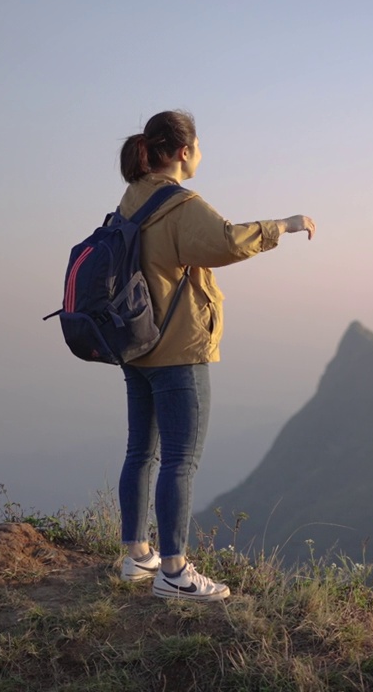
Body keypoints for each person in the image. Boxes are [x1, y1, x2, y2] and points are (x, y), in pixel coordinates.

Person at [114, 110, 315, 601]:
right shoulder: (181, 204)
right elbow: (225, 241)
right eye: (199, 147)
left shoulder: (133, 198)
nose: (201, 154)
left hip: (135, 344)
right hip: (177, 348)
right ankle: (175, 571)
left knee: (141, 451)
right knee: (180, 459)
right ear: (183, 151)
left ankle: (137, 555)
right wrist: (284, 225)